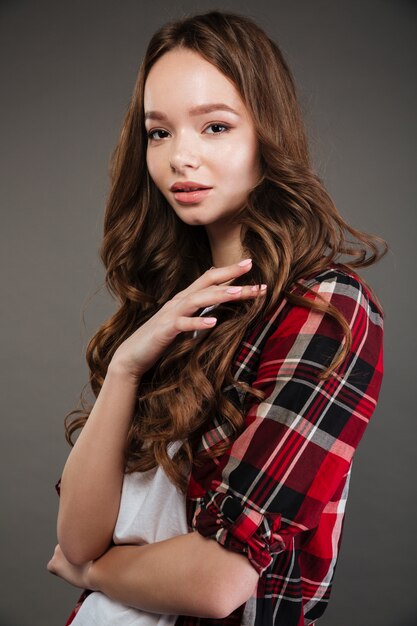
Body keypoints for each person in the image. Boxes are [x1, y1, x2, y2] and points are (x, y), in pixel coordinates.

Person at [47, 9, 387, 626]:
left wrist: (96, 574)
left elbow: (219, 581)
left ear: (267, 134)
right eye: (160, 133)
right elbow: (76, 538)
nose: (182, 157)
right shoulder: (162, 312)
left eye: (215, 126)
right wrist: (126, 366)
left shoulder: (325, 310)